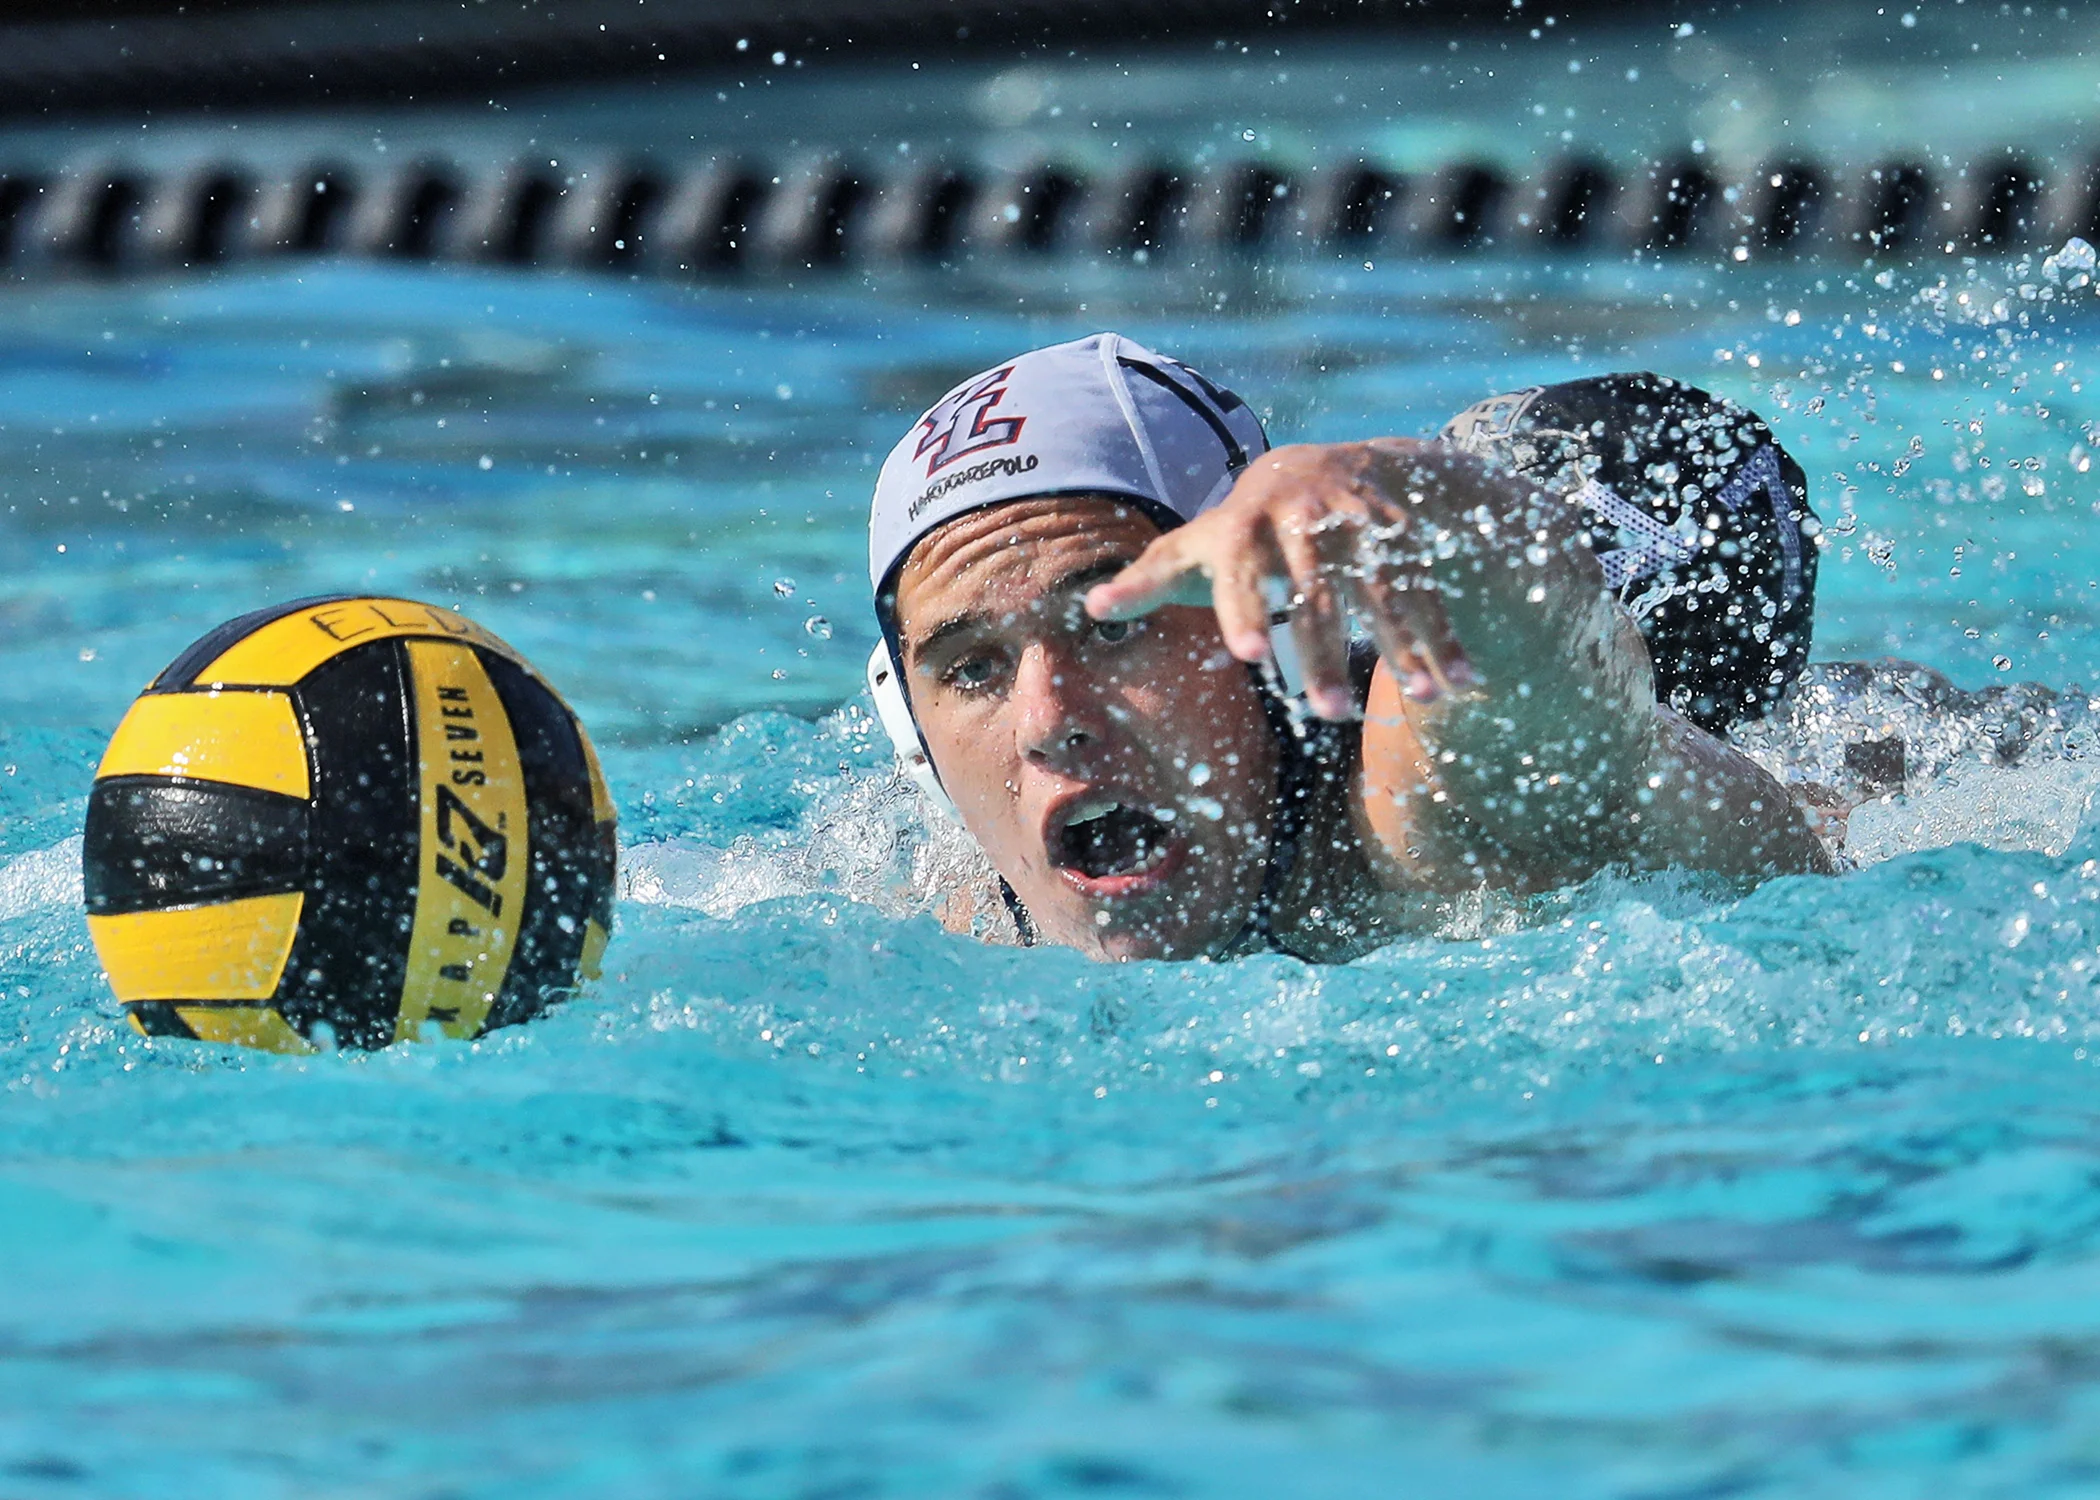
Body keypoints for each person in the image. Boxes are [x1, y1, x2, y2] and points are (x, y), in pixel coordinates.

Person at [864, 334, 1834, 963]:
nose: (1048, 721)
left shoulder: (1431, 809)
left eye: (1117, 624)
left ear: (1284, 629)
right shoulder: (942, 927)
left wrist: (1359, 483)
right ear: (908, 722)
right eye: (974, 668)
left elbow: (1549, 636)